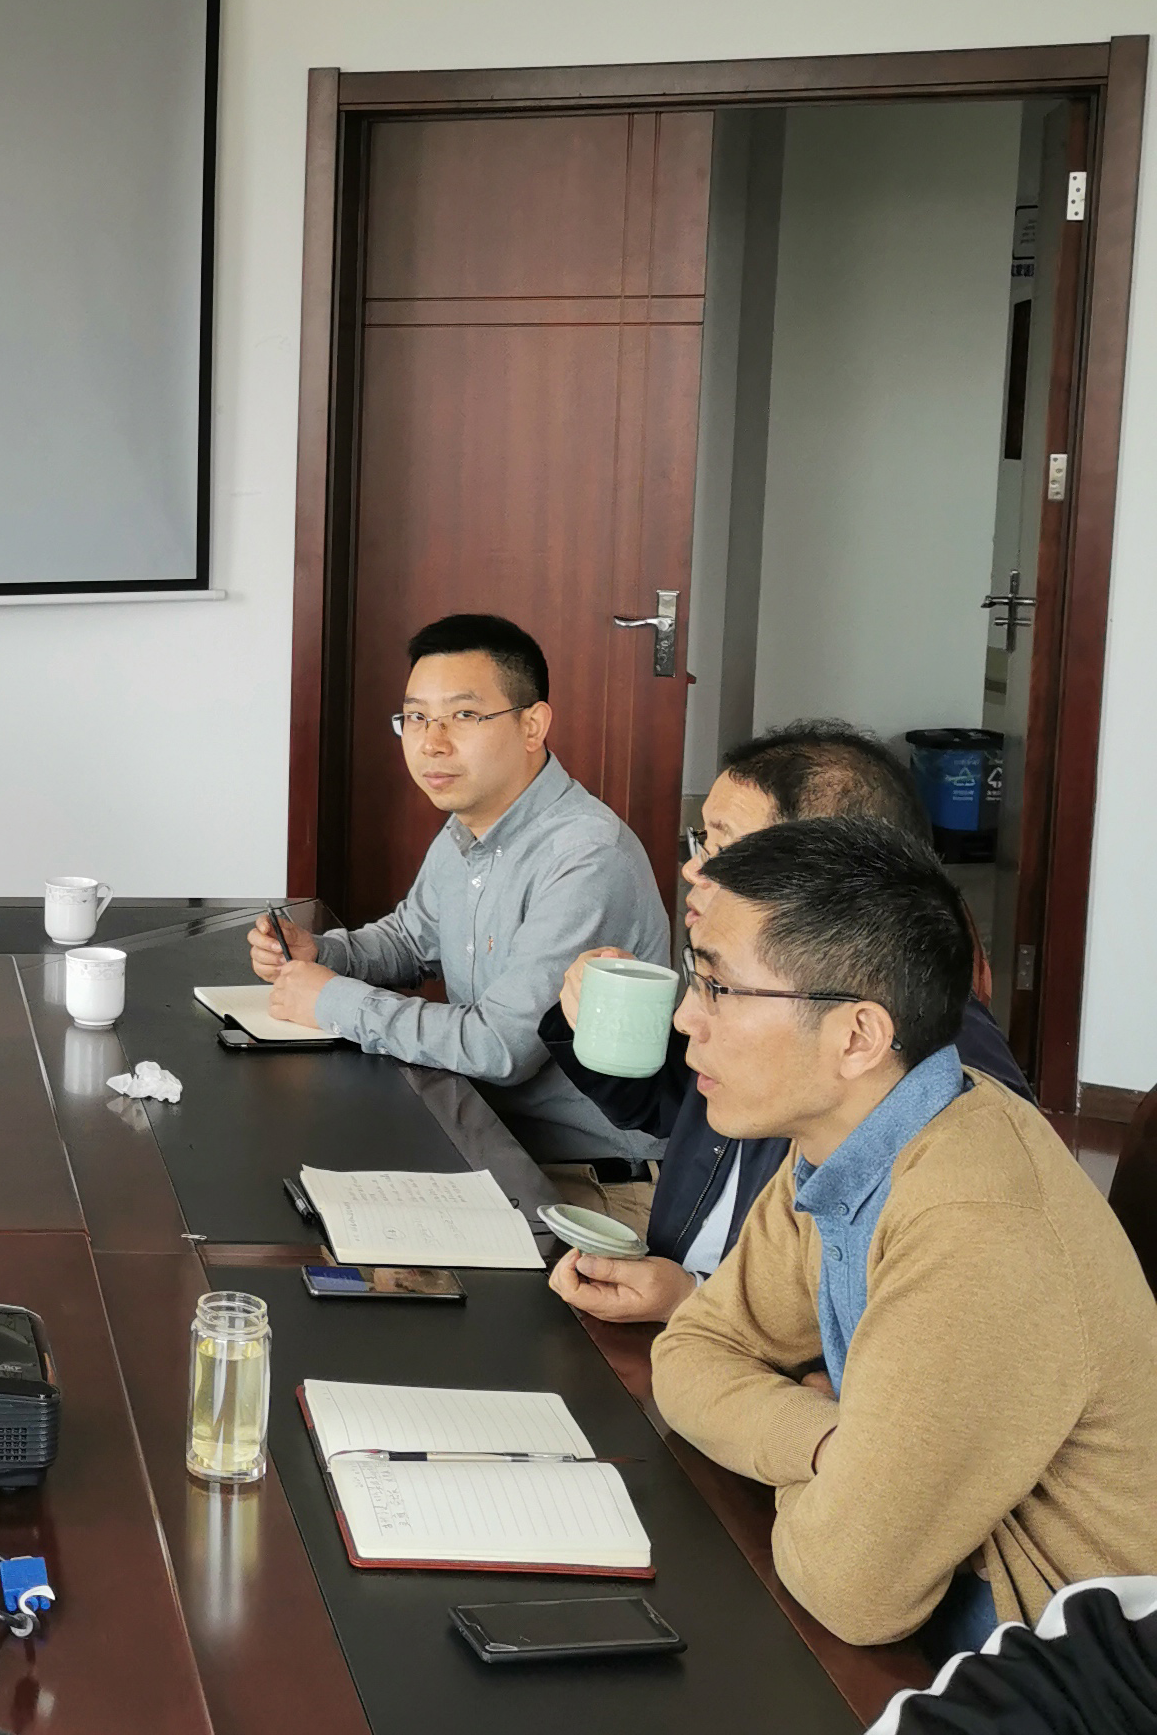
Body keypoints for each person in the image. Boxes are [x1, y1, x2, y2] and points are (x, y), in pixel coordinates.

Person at [650, 817, 1157, 1653]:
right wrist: (827, 1441)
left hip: (1059, 1663)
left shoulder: (978, 1223)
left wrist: (821, 1458)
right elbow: (692, 1351)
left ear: (857, 1037)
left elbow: (852, 1589)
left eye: (721, 989)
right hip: (949, 1609)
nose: (685, 1019)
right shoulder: (847, 1135)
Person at [547, 720, 1031, 1323]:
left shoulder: (945, 1076)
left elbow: (882, 1327)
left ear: (834, 873)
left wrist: (692, 1299)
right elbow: (673, 1107)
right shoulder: (771, 991)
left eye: (725, 849)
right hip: (683, 1310)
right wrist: (593, 1020)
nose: (694, 871)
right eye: (701, 842)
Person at [250, 613, 672, 1189]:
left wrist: (333, 1001)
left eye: (464, 716)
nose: (432, 742)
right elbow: (410, 940)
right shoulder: (470, 824)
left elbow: (500, 1047)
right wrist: (322, 954)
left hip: (585, 1180)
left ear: (532, 725)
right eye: (416, 717)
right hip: (482, 1138)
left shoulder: (586, 857)